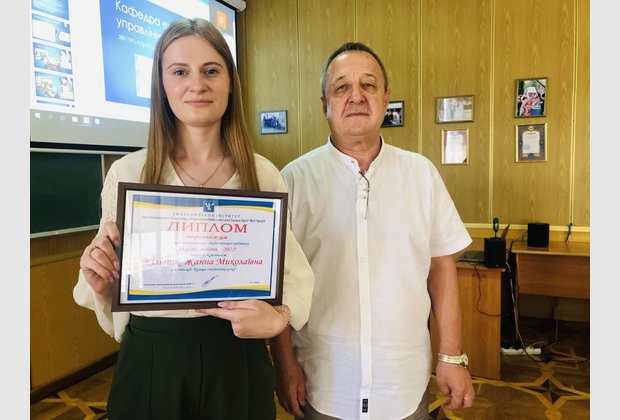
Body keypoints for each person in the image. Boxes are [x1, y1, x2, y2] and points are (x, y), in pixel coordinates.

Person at [73, 18, 314, 420]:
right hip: (153, 357)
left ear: (231, 82)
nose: (196, 85)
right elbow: (112, 289)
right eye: (180, 72)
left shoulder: (263, 175)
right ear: (161, 85)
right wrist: (102, 281)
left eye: (211, 71)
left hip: (238, 356)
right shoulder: (128, 173)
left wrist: (279, 318)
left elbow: (293, 276)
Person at [270, 42, 475, 419]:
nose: (356, 96)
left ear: (386, 98)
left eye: (368, 85)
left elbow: (442, 269)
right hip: (324, 380)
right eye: (341, 87)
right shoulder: (293, 180)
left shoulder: (421, 174)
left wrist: (451, 356)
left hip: (403, 382)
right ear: (325, 104)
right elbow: (278, 285)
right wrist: (285, 365)